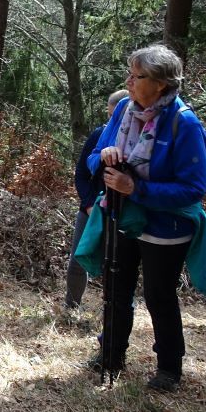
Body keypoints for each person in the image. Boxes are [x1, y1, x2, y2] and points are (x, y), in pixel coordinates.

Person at [80, 45, 206, 392]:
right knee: (116, 289)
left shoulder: (183, 123)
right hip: (122, 215)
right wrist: (105, 156)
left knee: (159, 296)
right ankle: (111, 354)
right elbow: (92, 158)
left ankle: (169, 368)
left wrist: (136, 189)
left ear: (161, 84)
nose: (129, 82)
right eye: (129, 74)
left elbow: (193, 188)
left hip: (167, 225)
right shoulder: (123, 110)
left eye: (137, 76)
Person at [63, 89, 128, 310]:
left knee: (118, 265)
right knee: (77, 260)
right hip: (91, 209)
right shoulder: (99, 135)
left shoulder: (141, 141)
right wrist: (89, 203)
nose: (111, 121)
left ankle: (113, 313)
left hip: (123, 212)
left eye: (115, 116)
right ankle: (71, 308)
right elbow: (81, 174)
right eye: (109, 115)